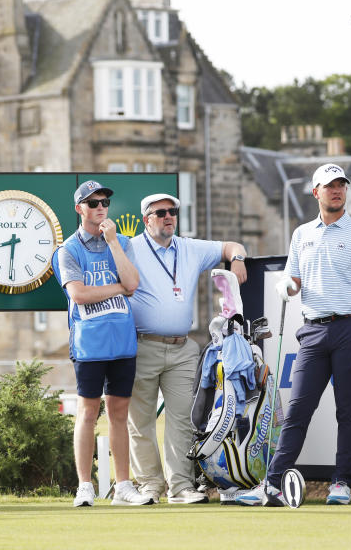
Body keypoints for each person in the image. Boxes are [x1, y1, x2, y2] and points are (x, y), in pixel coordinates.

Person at [238, 163, 351, 507]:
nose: (336, 191)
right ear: (315, 192)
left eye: (341, 185)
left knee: (347, 410)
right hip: (313, 331)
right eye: (329, 186)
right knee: (299, 409)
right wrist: (287, 286)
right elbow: (295, 280)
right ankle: (272, 484)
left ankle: (341, 482)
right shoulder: (302, 234)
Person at [126, 193, 248, 505]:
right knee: (141, 421)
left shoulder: (189, 247)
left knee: (181, 419)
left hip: (182, 348)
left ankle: (180, 486)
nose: (168, 217)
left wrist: (238, 260)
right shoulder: (130, 248)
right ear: (146, 220)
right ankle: (149, 486)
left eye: (172, 212)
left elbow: (233, 246)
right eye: (161, 212)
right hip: (142, 345)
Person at [52, 180, 152, 507]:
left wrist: (113, 244)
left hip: (122, 341)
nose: (100, 208)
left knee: (119, 413)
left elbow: (133, 282)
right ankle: (85, 486)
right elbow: (78, 293)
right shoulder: (68, 250)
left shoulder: (120, 242)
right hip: (89, 344)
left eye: (104, 202)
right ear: (80, 208)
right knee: (88, 411)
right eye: (93, 203)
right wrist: (118, 288)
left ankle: (123, 485)